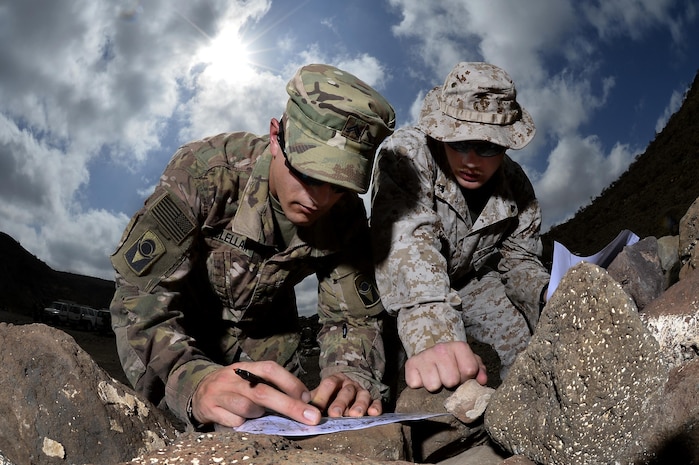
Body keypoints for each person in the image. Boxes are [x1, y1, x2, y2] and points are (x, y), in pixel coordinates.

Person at [109, 63, 396, 430]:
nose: (320, 199)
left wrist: (351, 373)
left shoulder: (344, 215)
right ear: (276, 136)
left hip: (267, 330)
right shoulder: (205, 175)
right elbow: (140, 297)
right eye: (307, 174)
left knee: (286, 426)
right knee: (176, 421)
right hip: (178, 320)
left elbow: (352, 318)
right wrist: (193, 382)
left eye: (338, 185)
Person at [371, 62, 550, 393]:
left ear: (506, 143)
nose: (471, 159)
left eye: (487, 147)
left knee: (522, 342)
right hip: (396, 286)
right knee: (386, 387)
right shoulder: (406, 154)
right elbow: (408, 247)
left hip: (467, 282)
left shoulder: (517, 186)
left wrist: (547, 295)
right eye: (459, 141)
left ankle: (525, 418)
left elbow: (521, 260)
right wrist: (437, 338)